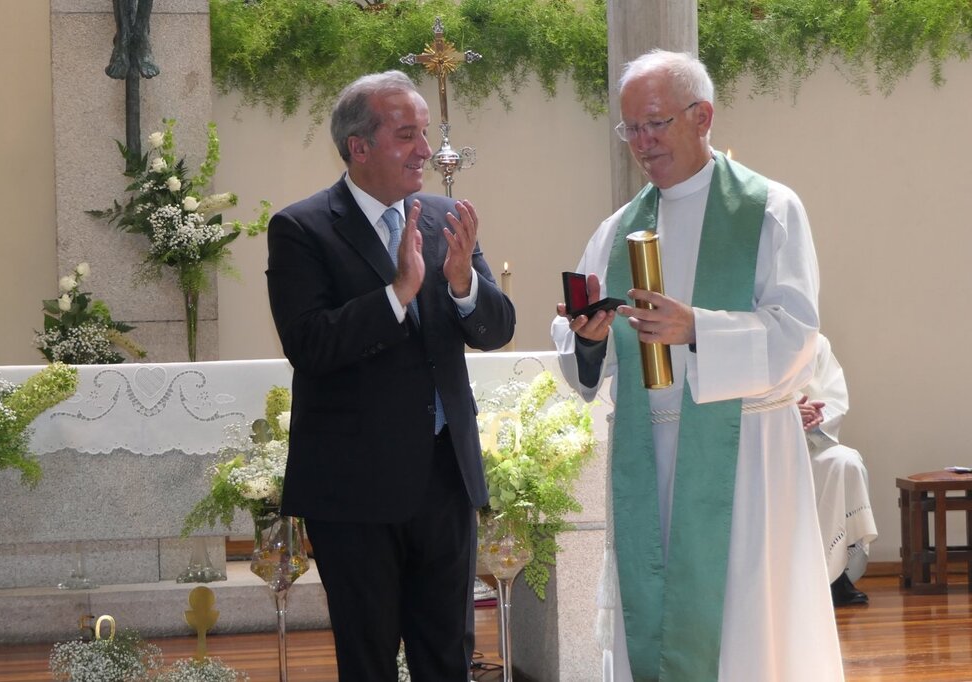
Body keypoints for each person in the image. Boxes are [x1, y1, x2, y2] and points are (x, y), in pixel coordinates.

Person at [550, 50, 843, 681]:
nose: (642, 143)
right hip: (648, 455)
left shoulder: (769, 210)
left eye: (655, 124)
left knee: (747, 627)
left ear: (702, 116)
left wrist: (698, 329)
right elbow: (580, 346)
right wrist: (590, 336)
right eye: (631, 128)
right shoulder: (618, 229)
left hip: (745, 458)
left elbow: (797, 335)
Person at [266, 70, 515, 681]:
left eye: (424, 133)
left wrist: (463, 283)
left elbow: (496, 329)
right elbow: (310, 344)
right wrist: (397, 293)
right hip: (354, 487)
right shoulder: (302, 229)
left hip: (444, 478)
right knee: (368, 660)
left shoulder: (444, 217)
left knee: (448, 657)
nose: (426, 150)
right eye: (407, 135)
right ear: (359, 146)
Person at [797, 333, 878, 607]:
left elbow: (834, 398)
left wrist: (815, 417)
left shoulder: (815, 342)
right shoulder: (746, 336)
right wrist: (786, 415)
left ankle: (836, 574)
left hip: (809, 445)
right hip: (761, 452)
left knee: (846, 462)